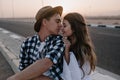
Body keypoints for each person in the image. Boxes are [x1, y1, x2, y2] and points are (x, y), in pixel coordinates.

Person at [7, 6, 65, 80]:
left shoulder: (60, 41)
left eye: (61, 21)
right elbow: (23, 71)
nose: (60, 25)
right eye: (57, 21)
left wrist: (14, 78)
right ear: (44, 22)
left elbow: (46, 63)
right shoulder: (27, 43)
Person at [61, 12, 97, 80]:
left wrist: (67, 52)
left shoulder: (84, 49)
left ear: (74, 28)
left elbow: (75, 75)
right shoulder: (67, 43)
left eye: (64, 26)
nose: (61, 28)